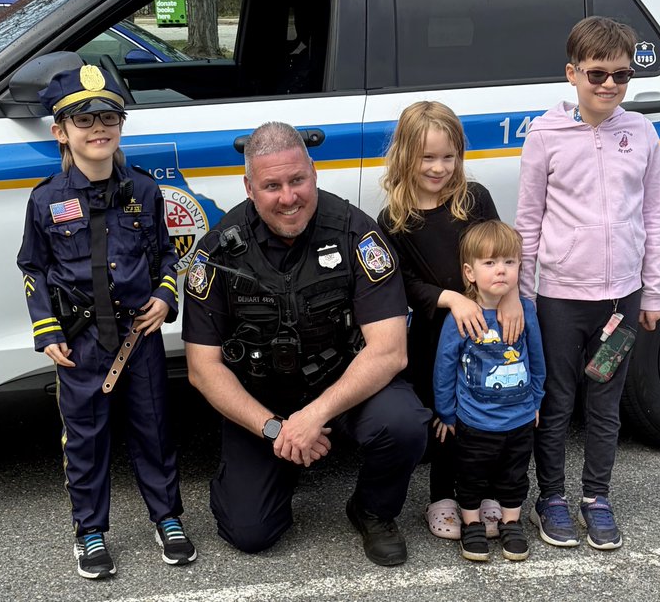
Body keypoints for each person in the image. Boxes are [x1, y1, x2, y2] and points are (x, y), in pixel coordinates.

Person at [183, 121, 429, 567]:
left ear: (313, 171)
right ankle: (277, 464)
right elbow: (203, 368)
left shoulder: (357, 234)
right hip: (264, 399)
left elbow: (389, 350)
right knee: (250, 532)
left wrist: (312, 416)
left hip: (345, 382)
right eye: (271, 185)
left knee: (404, 422)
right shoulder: (217, 251)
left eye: (297, 180)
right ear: (249, 186)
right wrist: (277, 429)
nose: (289, 197)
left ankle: (373, 510)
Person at [16, 65, 196, 579]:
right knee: (87, 439)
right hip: (80, 342)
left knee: (154, 430)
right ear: (61, 131)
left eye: (109, 116)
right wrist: (45, 329)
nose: (99, 128)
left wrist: (166, 296)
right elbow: (33, 266)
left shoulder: (143, 190)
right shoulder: (46, 199)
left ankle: (168, 518)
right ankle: (90, 530)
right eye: (84, 118)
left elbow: (165, 252)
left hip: (138, 338)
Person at [513, 16, 660, 551]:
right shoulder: (545, 135)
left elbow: (653, 217)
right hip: (559, 297)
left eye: (621, 76)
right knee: (556, 402)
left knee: (605, 403)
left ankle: (596, 497)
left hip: (621, 299)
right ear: (572, 73)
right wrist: (524, 299)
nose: (609, 86)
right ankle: (550, 499)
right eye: (597, 74)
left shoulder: (642, 133)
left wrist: (653, 291)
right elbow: (528, 222)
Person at [376, 101, 524, 542]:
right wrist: (451, 299)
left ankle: (489, 493)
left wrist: (512, 297)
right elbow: (400, 282)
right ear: (405, 156)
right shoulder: (395, 219)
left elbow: (501, 250)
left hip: (491, 332)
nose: (439, 167)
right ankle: (441, 495)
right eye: (427, 158)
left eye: (448, 156)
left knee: (491, 408)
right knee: (447, 414)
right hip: (436, 331)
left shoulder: (473, 200)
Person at [432, 220, 545, 562]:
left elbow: (538, 360)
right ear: (469, 272)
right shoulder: (462, 316)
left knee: (515, 474)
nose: (501, 271)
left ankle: (511, 523)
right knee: (471, 475)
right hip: (474, 420)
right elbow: (444, 366)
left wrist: (536, 400)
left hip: (520, 418)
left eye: (509, 263)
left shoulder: (525, 311)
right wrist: (446, 412)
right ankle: (471, 525)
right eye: (490, 263)